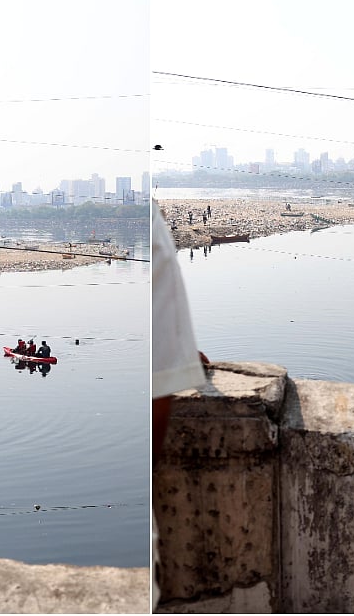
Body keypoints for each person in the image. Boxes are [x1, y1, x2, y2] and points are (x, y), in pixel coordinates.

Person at [151, 203, 209, 607]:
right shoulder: (154, 233)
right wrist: (181, 357)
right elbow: (157, 388)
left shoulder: (154, 234)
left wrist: (180, 356)